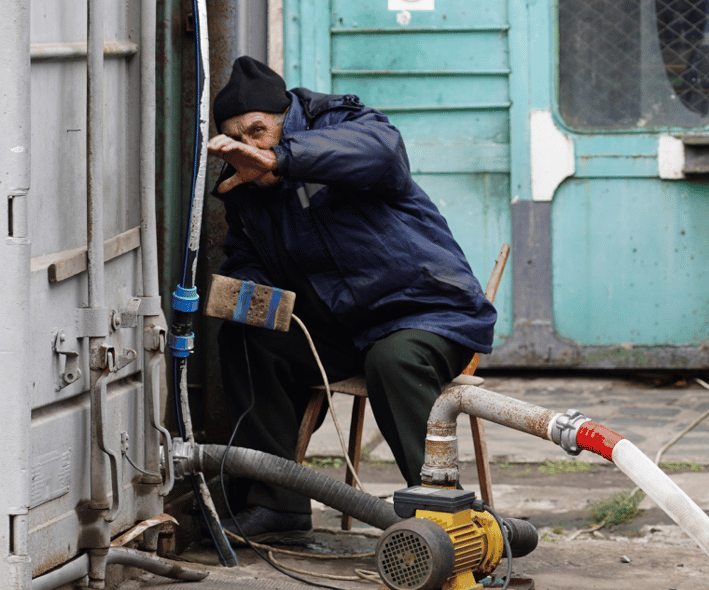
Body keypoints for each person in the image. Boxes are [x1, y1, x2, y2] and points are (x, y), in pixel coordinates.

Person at [209, 56, 496, 542]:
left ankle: (446, 520)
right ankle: (278, 505)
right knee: (247, 337)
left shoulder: (340, 123)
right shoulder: (244, 189)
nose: (250, 147)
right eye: (238, 139)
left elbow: (383, 154)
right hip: (343, 328)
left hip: (428, 311)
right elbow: (246, 253)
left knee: (394, 359)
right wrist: (246, 288)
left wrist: (283, 159)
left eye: (258, 131)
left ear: (285, 120)